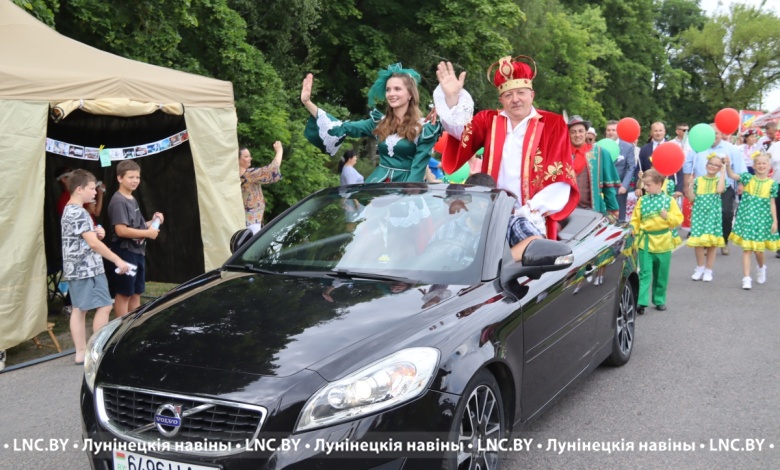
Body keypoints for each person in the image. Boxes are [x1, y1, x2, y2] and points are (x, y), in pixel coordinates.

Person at [432, 57, 579, 243]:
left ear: (532, 95)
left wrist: (529, 211)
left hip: (531, 217)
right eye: (508, 95)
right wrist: (452, 100)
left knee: (527, 265)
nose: (515, 99)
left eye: (521, 93)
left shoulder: (553, 124)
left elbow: (561, 176)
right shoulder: (488, 120)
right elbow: (460, 134)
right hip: (490, 214)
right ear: (501, 99)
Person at [301, 63, 442, 183]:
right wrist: (307, 102)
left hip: (407, 188)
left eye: (397, 89)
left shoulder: (423, 127)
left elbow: (419, 164)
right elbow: (340, 127)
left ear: (410, 94)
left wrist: (414, 190)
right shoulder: (378, 123)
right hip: (379, 187)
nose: (391, 94)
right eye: (388, 89)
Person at [61, 169, 129, 364]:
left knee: (79, 309)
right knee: (105, 305)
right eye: (92, 188)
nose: (95, 192)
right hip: (88, 268)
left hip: (75, 268)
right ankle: (96, 349)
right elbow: (92, 243)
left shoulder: (69, 209)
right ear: (80, 189)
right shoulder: (80, 213)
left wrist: (96, 233)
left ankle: (81, 352)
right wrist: (117, 259)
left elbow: (83, 238)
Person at [107, 160, 163, 318]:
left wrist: (153, 222)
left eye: (137, 177)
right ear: (120, 178)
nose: (135, 181)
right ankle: (120, 331)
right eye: (131, 177)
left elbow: (137, 226)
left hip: (137, 252)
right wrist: (147, 234)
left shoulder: (131, 198)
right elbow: (121, 230)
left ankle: (132, 327)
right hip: (125, 252)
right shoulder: (118, 200)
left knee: (136, 292)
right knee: (124, 293)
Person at [683, 123, 746, 255]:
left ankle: (724, 241)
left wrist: (741, 184)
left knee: (726, 214)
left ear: (722, 134)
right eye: (710, 133)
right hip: (703, 189)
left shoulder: (731, 149)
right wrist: (686, 184)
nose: (713, 136)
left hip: (724, 187)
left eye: (716, 133)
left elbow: (741, 168)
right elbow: (688, 166)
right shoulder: (697, 148)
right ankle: (706, 243)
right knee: (705, 216)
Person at [629, 169, 683, 314]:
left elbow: (678, 219)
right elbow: (635, 219)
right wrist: (633, 231)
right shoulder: (642, 200)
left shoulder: (669, 200)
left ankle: (659, 300)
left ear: (659, 184)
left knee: (661, 274)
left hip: (663, 243)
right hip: (645, 242)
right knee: (645, 273)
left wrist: (668, 216)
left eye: (648, 185)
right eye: (644, 185)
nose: (645, 188)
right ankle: (641, 301)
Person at [723, 153, 780, 289]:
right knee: (747, 249)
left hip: (762, 219)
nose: (761, 166)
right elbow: (732, 175)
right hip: (747, 218)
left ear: (768, 166)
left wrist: (775, 221)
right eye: (758, 163)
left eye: (764, 164)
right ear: (754, 166)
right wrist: (728, 166)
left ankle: (761, 267)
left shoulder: (772, 184)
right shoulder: (748, 179)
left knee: (759, 251)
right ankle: (746, 278)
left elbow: (772, 203)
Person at [568, 115, 620, 218]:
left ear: (586, 133)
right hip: (565, 212)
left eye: (580, 131)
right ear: (568, 134)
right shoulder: (561, 154)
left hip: (592, 211)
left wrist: (613, 209)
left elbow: (608, 186)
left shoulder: (600, 153)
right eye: (573, 132)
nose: (577, 135)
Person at [685, 155, 726, 282]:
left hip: (712, 214)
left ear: (719, 168)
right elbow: (692, 198)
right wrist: (690, 186)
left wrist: (723, 172)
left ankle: (709, 269)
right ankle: (700, 267)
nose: (713, 167)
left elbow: (720, 190)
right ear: (706, 164)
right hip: (699, 213)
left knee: (711, 243)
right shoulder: (698, 180)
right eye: (711, 163)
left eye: (716, 165)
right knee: (698, 242)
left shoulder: (720, 180)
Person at [240, 142, 283, 233]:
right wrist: (279, 151)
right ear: (238, 159)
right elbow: (271, 170)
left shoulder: (233, 176)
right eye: (246, 156)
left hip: (241, 221)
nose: (250, 158)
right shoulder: (249, 175)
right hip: (252, 223)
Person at [635, 122, 684, 199]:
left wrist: (679, 189)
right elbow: (639, 169)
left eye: (660, 130)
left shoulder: (672, 148)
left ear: (664, 132)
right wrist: (638, 188)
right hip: (648, 189)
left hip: (668, 188)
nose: (658, 133)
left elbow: (679, 169)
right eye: (656, 131)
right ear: (651, 132)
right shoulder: (644, 149)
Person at [606, 120, 638, 222]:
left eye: (613, 130)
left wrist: (624, 185)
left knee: (620, 217)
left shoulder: (627, 147)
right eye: (608, 130)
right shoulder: (600, 146)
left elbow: (631, 167)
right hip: (604, 188)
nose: (611, 132)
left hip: (620, 188)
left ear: (618, 131)